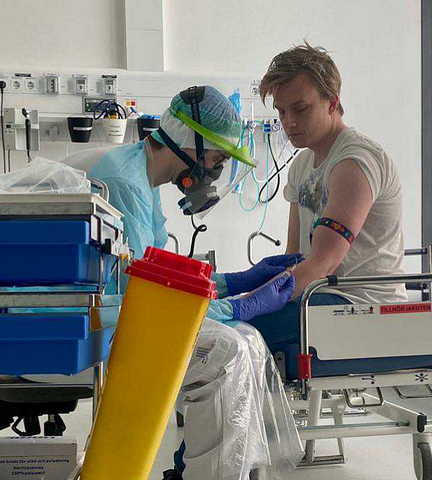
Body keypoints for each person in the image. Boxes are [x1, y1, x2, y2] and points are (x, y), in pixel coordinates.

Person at [63, 85, 304, 479]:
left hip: (112, 309)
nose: (215, 169)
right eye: (216, 157)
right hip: (90, 321)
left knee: (247, 339)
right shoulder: (124, 183)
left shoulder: (140, 175)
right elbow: (146, 297)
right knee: (226, 352)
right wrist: (242, 303)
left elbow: (156, 279)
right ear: (189, 143)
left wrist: (234, 281)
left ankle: (239, 471)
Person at [247, 42, 407, 355]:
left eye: (300, 108)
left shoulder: (355, 163)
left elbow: (320, 263)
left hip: (360, 307)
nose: (288, 121)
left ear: (332, 103)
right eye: (281, 111)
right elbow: (294, 257)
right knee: (225, 329)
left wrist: (247, 306)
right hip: (322, 296)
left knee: (241, 331)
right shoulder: (301, 165)